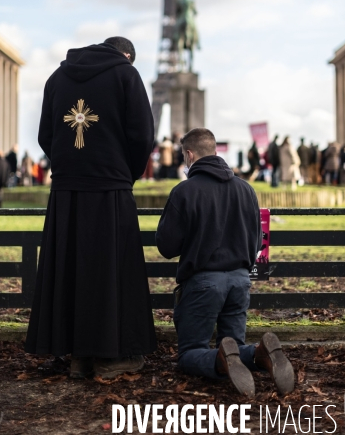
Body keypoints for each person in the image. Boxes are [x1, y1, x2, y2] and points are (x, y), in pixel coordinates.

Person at [25, 36, 157, 378]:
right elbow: (143, 134)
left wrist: (69, 167)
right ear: (126, 55)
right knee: (112, 271)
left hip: (67, 190)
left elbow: (45, 135)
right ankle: (111, 357)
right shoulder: (126, 75)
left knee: (70, 268)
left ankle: (77, 356)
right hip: (110, 190)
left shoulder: (57, 78)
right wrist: (123, 173)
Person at [156, 128, 295, 397]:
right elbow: (257, 242)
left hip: (204, 282)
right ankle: (259, 354)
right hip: (240, 281)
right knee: (233, 343)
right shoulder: (246, 190)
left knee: (190, 353)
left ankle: (220, 361)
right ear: (215, 151)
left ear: (189, 154)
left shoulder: (184, 192)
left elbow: (166, 246)